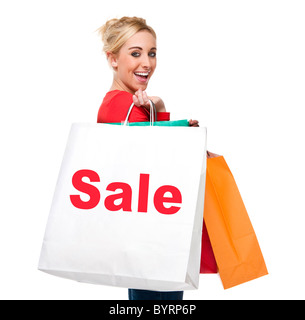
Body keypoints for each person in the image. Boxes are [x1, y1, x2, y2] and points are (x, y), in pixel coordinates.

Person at [96, 16, 201, 300]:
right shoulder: (123, 106)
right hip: (153, 233)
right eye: (135, 53)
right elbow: (165, 169)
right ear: (112, 58)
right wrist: (180, 133)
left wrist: (161, 111)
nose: (147, 63)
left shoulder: (121, 103)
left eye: (152, 53)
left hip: (143, 229)